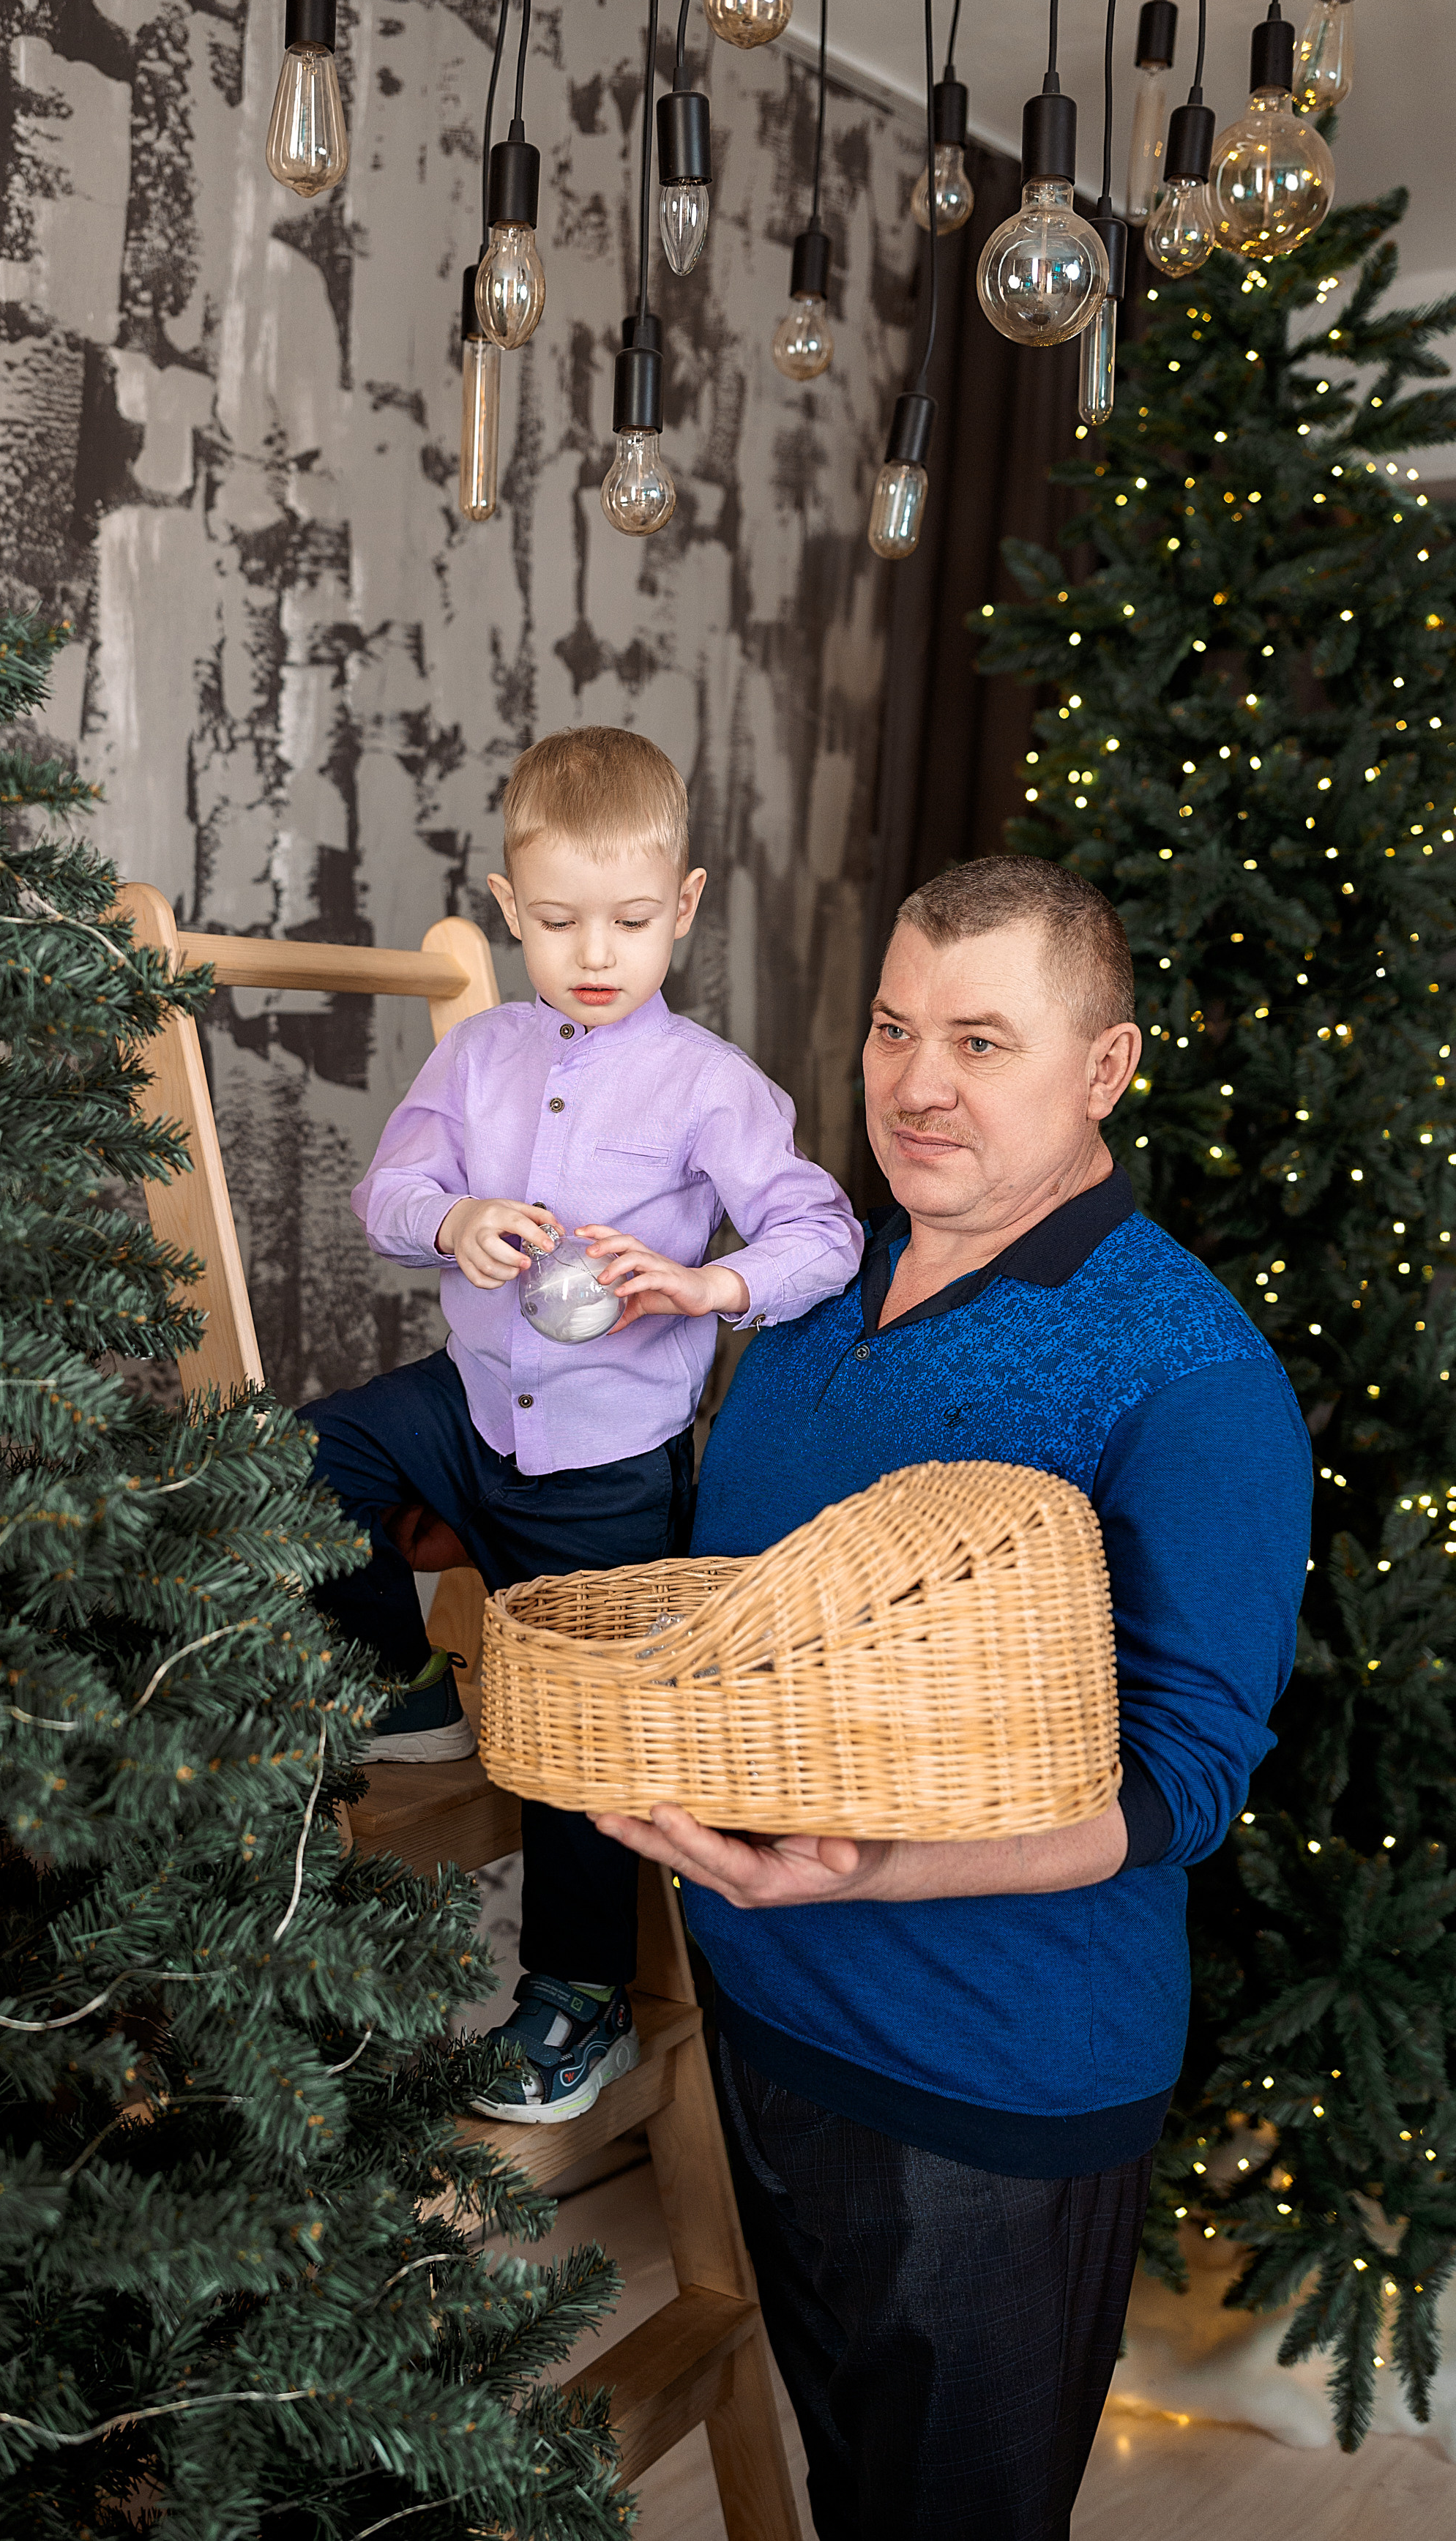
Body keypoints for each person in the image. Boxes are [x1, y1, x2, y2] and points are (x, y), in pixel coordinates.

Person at [595, 855, 1313, 2537]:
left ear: (1104, 1068)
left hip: (987, 2082)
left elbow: (1182, 1780)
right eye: (892, 1026)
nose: (915, 1083)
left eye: (980, 1040)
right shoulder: (816, 1281)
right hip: (767, 2012)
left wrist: (871, 1870)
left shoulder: (1187, 1371)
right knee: (859, 2491)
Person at [300, 725, 862, 2122]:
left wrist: (704, 1282)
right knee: (300, 1461)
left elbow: (823, 1230)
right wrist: (455, 1219)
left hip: (604, 1468)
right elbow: (385, 1197)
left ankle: (578, 1997)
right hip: (469, 1407)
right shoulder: (479, 1057)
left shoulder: (709, 1085)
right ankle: (406, 1687)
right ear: (508, 907)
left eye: (627, 920)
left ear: (683, 904)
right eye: (556, 922)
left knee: (577, 1748)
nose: (593, 952)